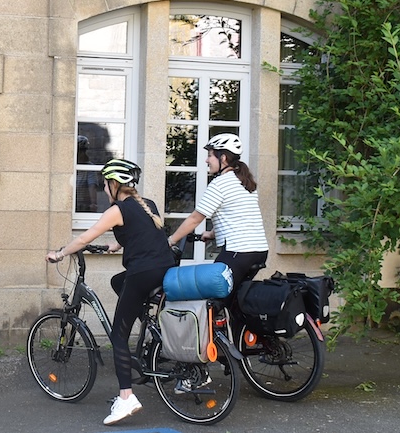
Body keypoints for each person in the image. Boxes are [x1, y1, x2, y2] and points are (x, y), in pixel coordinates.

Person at [46, 157, 173, 426]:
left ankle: (126, 398)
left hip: (143, 273)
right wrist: (115, 246)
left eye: (105, 184)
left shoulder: (119, 209)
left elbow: (84, 237)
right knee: (118, 281)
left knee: (118, 335)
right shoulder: (147, 205)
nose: (104, 189)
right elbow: (144, 235)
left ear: (114, 184)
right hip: (163, 268)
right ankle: (150, 328)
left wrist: (60, 254)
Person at [167, 133, 269, 293]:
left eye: (210, 155)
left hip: (239, 251)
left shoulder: (220, 183)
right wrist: (213, 233)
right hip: (259, 251)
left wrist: (171, 240)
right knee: (234, 298)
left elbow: (195, 219)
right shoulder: (244, 181)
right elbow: (240, 216)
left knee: (213, 293)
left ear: (222, 158)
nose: (207, 160)